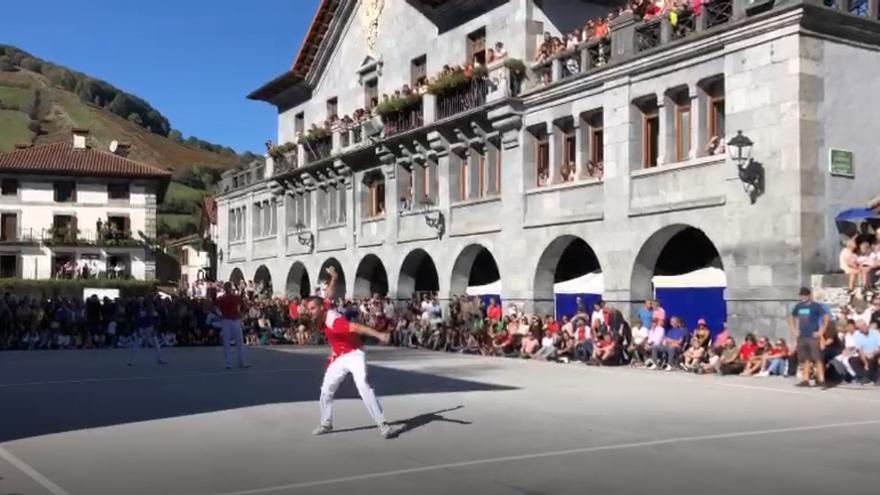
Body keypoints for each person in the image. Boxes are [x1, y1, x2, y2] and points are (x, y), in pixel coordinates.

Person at [309, 267, 394, 439]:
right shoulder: (323, 307)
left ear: (319, 309)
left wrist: (379, 335)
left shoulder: (334, 321)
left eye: (311, 308)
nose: (308, 311)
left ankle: (382, 423)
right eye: (308, 308)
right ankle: (326, 423)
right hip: (339, 356)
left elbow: (356, 327)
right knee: (326, 389)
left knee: (362, 385)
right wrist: (334, 276)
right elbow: (329, 295)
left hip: (354, 353)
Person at [789, 287, 830, 388]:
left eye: (805, 295)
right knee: (804, 359)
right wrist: (794, 330)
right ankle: (805, 379)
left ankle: (821, 380)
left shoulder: (816, 306)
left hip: (813, 336)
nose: (803, 297)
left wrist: (821, 331)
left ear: (809, 295)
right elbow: (791, 317)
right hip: (802, 336)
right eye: (802, 295)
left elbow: (826, 317)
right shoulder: (798, 306)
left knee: (817, 358)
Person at [216, 282, 249, 369]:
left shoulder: (223, 298)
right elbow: (244, 305)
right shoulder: (229, 298)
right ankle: (236, 362)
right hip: (231, 320)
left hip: (230, 320)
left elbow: (217, 308)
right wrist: (241, 314)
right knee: (236, 341)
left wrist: (240, 315)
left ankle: (231, 362)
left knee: (231, 342)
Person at [127, 298, 166, 366]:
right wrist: (138, 331)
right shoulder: (142, 313)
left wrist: (155, 330)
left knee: (156, 344)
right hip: (141, 329)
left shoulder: (153, 312)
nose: (151, 307)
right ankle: (131, 361)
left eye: (151, 306)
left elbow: (158, 321)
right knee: (137, 344)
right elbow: (137, 322)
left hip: (150, 329)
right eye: (149, 306)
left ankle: (160, 359)